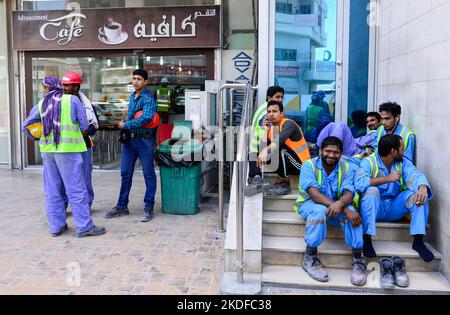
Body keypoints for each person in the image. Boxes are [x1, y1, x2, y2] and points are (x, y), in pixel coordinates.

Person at [22, 77, 105, 238]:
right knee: (76, 189)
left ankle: (57, 227)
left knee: (53, 190)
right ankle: (84, 227)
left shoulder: (41, 104)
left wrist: (39, 138)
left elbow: (26, 127)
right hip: (69, 151)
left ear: (48, 88)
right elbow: (83, 125)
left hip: (48, 152)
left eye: (44, 87)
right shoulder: (72, 100)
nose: (43, 90)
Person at [294, 137, 366, 286]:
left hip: (336, 207)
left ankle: (358, 259)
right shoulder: (309, 165)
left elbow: (349, 192)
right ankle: (310, 256)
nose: (331, 155)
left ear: (341, 153)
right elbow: (314, 193)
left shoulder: (347, 167)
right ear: (321, 151)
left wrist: (342, 205)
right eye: (328, 151)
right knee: (321, 210)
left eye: (336, 152)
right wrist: (342, 207)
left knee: (353, 212)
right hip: (310, 204)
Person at [355, 134, 434, 263]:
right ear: (393, 151)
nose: (404, 151)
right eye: (402, 148)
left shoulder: (402, 162)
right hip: (375, 208)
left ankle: (418, 241)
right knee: (371, 191)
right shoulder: (369, 162)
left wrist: (423, 187)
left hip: (393, 207)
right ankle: (367, 239)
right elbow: (359, 182)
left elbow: (415, 174)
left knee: (418, 195)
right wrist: (387, 179)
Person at [105, 69, 157, 222]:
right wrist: (126, 126)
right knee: (125, 174)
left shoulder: (148, 98)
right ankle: (122, 206)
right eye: (134, 78)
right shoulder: (132, 97)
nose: (135, 81)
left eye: (139, 79)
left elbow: (146, 118)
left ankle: (148, 207)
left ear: (145, 82)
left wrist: (126, 125)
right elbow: (133, 116)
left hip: (144, 141)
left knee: (149, 174)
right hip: (130, 141)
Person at [62, 72, 99, 209]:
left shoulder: (87, 104)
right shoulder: (59, 103)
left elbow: (95, 125)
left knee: (85, 177)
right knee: (64, 178)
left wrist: (86, 131)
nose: (64, 88)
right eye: (63, 85)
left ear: (76, 87)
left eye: (67, 85)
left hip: (84, 145)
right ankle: (63, 205)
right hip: (65, 147)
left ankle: (86, 205)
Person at [257, 101, 310, 196]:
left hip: (301, 164)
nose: (271, 114)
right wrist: (266, 130)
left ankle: (284, 182)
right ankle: (259, 179)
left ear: (281, 114)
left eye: (274, 111)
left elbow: (279, 141)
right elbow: (262, 148)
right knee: (262, 150)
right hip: (288, 162)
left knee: (279, 148)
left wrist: (265, 150)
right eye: (269, 112)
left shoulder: (289, 124)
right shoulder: (272, 129)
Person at [245, 86, 284, 197]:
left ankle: (255, 179)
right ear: (269, 97)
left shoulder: (263, 108)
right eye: (277, 97)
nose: (280, 99)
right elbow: (271, 133)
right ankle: (281, 179)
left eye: (282, 97)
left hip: (255, 149)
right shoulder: (268, 113)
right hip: (260, 148)